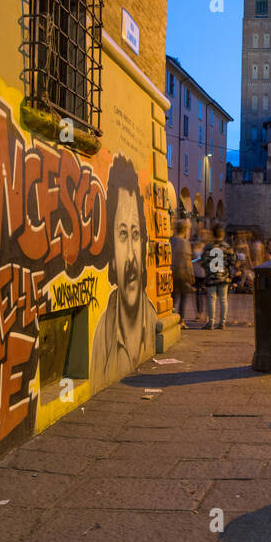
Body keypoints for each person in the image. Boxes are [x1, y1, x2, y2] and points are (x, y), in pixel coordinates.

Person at [92, 156, 155, 385]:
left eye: (135, 234)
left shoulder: (153, 319)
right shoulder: (101, 337)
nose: (131, 255)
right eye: (122, 234)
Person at [202, 224, 235, 330]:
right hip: (223, 276)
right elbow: (233, 261)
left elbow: (204, 261)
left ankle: (211, 322)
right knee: (223, 299)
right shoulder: (227, 247)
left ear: (213, 234)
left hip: (211, 277)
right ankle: (222, 323)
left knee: (211, 299)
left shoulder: (209, 247)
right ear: (223, 234)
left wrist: (208, 269)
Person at [170, 218, 193, 321]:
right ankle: (181, 320)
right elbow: (187, 260)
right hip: (183, 274)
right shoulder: (185, 243)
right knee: (183, 298)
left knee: (173, 298)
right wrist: (191, 275)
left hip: (172, 273)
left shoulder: (170, 241)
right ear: (185, 230)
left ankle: (171, 318)